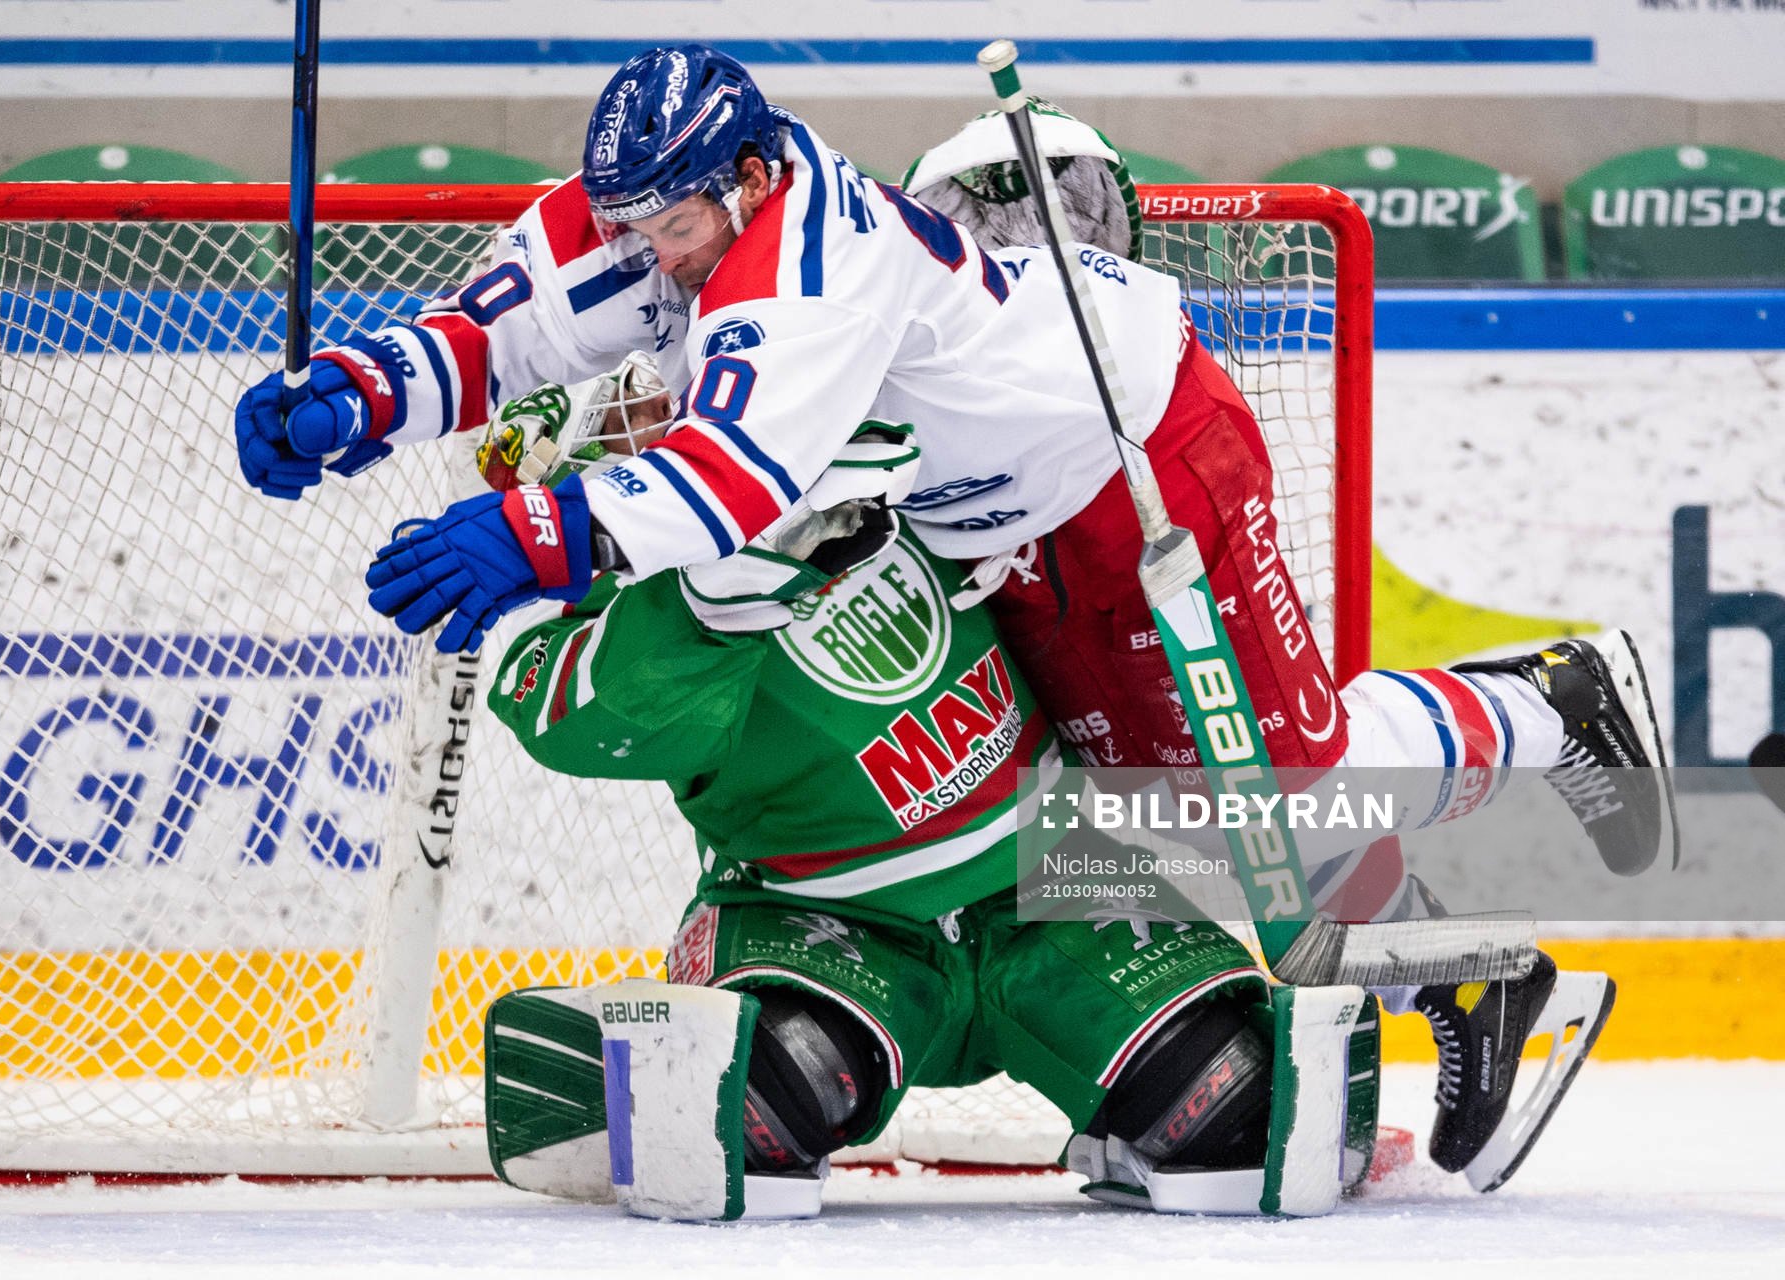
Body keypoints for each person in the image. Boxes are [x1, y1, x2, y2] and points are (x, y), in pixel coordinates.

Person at [232, 44, 1651, 1179]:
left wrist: (533, 531)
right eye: (625, 226)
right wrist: (358, 396)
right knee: (1144, 792)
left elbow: (733, 479)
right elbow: (501, 332)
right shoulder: (662, 210)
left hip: (1132, 446)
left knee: (1269, 780)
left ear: (744, 182)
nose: (648, 257)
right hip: (996, 514)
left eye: (671, 228)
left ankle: (1544, 707)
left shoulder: (810, 268)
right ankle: (1460, 962)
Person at [470, 369, 1371, 1219]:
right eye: (626, 425)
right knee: (756, 1112)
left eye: (657, 401)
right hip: (830, 922)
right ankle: (640, 1073)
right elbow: (592, 713)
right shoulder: (597, 631)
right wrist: (716, 597)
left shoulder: (862, 457)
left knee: (1237, 1103)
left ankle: (1160, 1102)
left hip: (1055, 882)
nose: (665, 421)